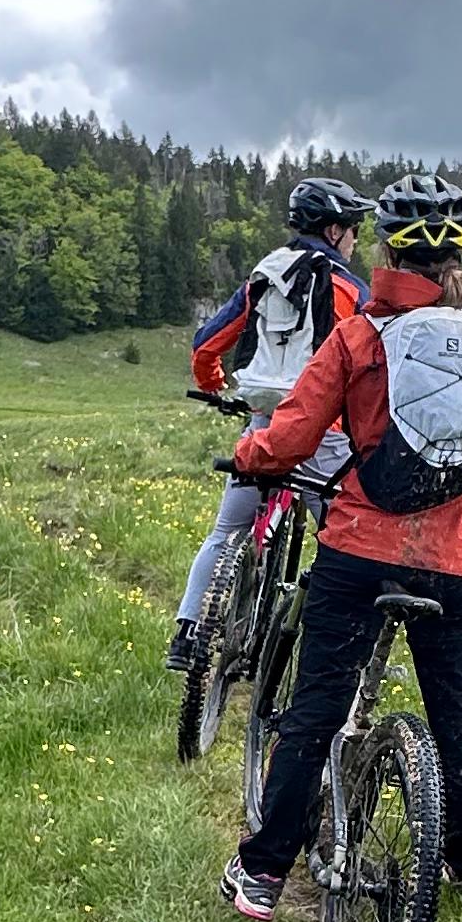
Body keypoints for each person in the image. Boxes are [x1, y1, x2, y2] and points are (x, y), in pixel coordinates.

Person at [220, 173, 462, 918]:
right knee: (458, 709)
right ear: (461, 250)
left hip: (360, 550)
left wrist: (252, 459)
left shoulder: (360, 335)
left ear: (391, 248)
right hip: (456, 563)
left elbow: (295, 435)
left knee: (319, 707)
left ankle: (265, 873)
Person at [169, 177, 368, 673]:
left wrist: (214, 383)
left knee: (226, 529)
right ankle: (344, 648)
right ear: (336, 230)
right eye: (354, 231)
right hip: (325, 429)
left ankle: (189, 631)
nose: (357, 241)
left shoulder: (263, 276)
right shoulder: (350, 289)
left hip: (263, 419)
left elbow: (205, 342)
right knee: (342, 534)